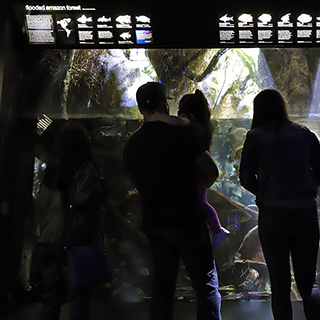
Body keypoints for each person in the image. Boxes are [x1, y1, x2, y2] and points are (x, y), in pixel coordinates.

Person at [123, 82, 221, 320]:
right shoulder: (181, 133)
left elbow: (135, 183)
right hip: (187, 219)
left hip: (155, 223)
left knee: (162, 288)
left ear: (139, 108)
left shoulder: (132, 144)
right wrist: (198, 187)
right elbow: (211, 170)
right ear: (165, 104)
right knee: (205, 284)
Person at [239, 89, 320, 320]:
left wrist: (267, 194)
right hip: (304, 213)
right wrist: (305, 191)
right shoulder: (305, 134)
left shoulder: (255, 137)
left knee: (279, 283)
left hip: (272, 215)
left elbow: (246, 179)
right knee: (309, 282)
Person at [36, 121, 108, 320]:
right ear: (83, 144)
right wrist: (102, 186)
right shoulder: (84, 169)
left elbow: (40, 205)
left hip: (48, 240)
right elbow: (86, 198)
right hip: (75, 242)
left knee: (51, 297)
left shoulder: (50, 172)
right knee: (79, 298)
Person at [153, 89, 230, 249]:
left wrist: (160, 117)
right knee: (202, 201)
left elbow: (180, 122)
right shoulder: (202, 125)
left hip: (193, 171)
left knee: (201, 202)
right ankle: (216, 230)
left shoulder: (187, 119)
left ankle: (218, 230)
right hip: (199, 169)